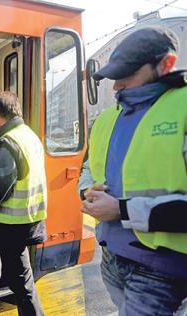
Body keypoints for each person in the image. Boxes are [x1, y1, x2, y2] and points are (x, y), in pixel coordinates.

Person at [80, 26, 187, 315]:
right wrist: (86, 191)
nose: (116, 86)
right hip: (112, 260)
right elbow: (89, 170)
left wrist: (122, 210)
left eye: (126, 75)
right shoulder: (106, 119)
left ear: (166, 64)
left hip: (160, 269)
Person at [0, 91, 47, 316]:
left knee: (22, 283)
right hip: (27, 217)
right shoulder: (26, 135)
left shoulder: (8, 143)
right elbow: (18, 167)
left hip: (10, 223)